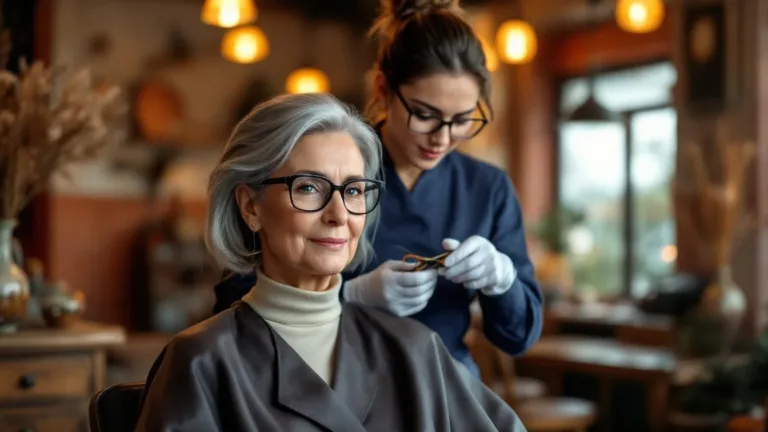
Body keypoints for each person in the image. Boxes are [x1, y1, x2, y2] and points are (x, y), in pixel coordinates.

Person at [134, 93, 526, 432]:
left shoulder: (415, 348)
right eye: (308, 187)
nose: (339, 214)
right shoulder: (201, 362)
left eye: (354, 190)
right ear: (251, 207)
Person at [212, 0, 543, 377]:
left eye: (463, 120)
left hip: (445, 386)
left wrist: (502, 280)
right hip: (327, 381)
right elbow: (230, 302)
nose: (443, 137)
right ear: (384, 89)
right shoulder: (333, 166)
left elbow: (519, 337)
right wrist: (348, 296)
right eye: (425, 114)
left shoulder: (487, 188)